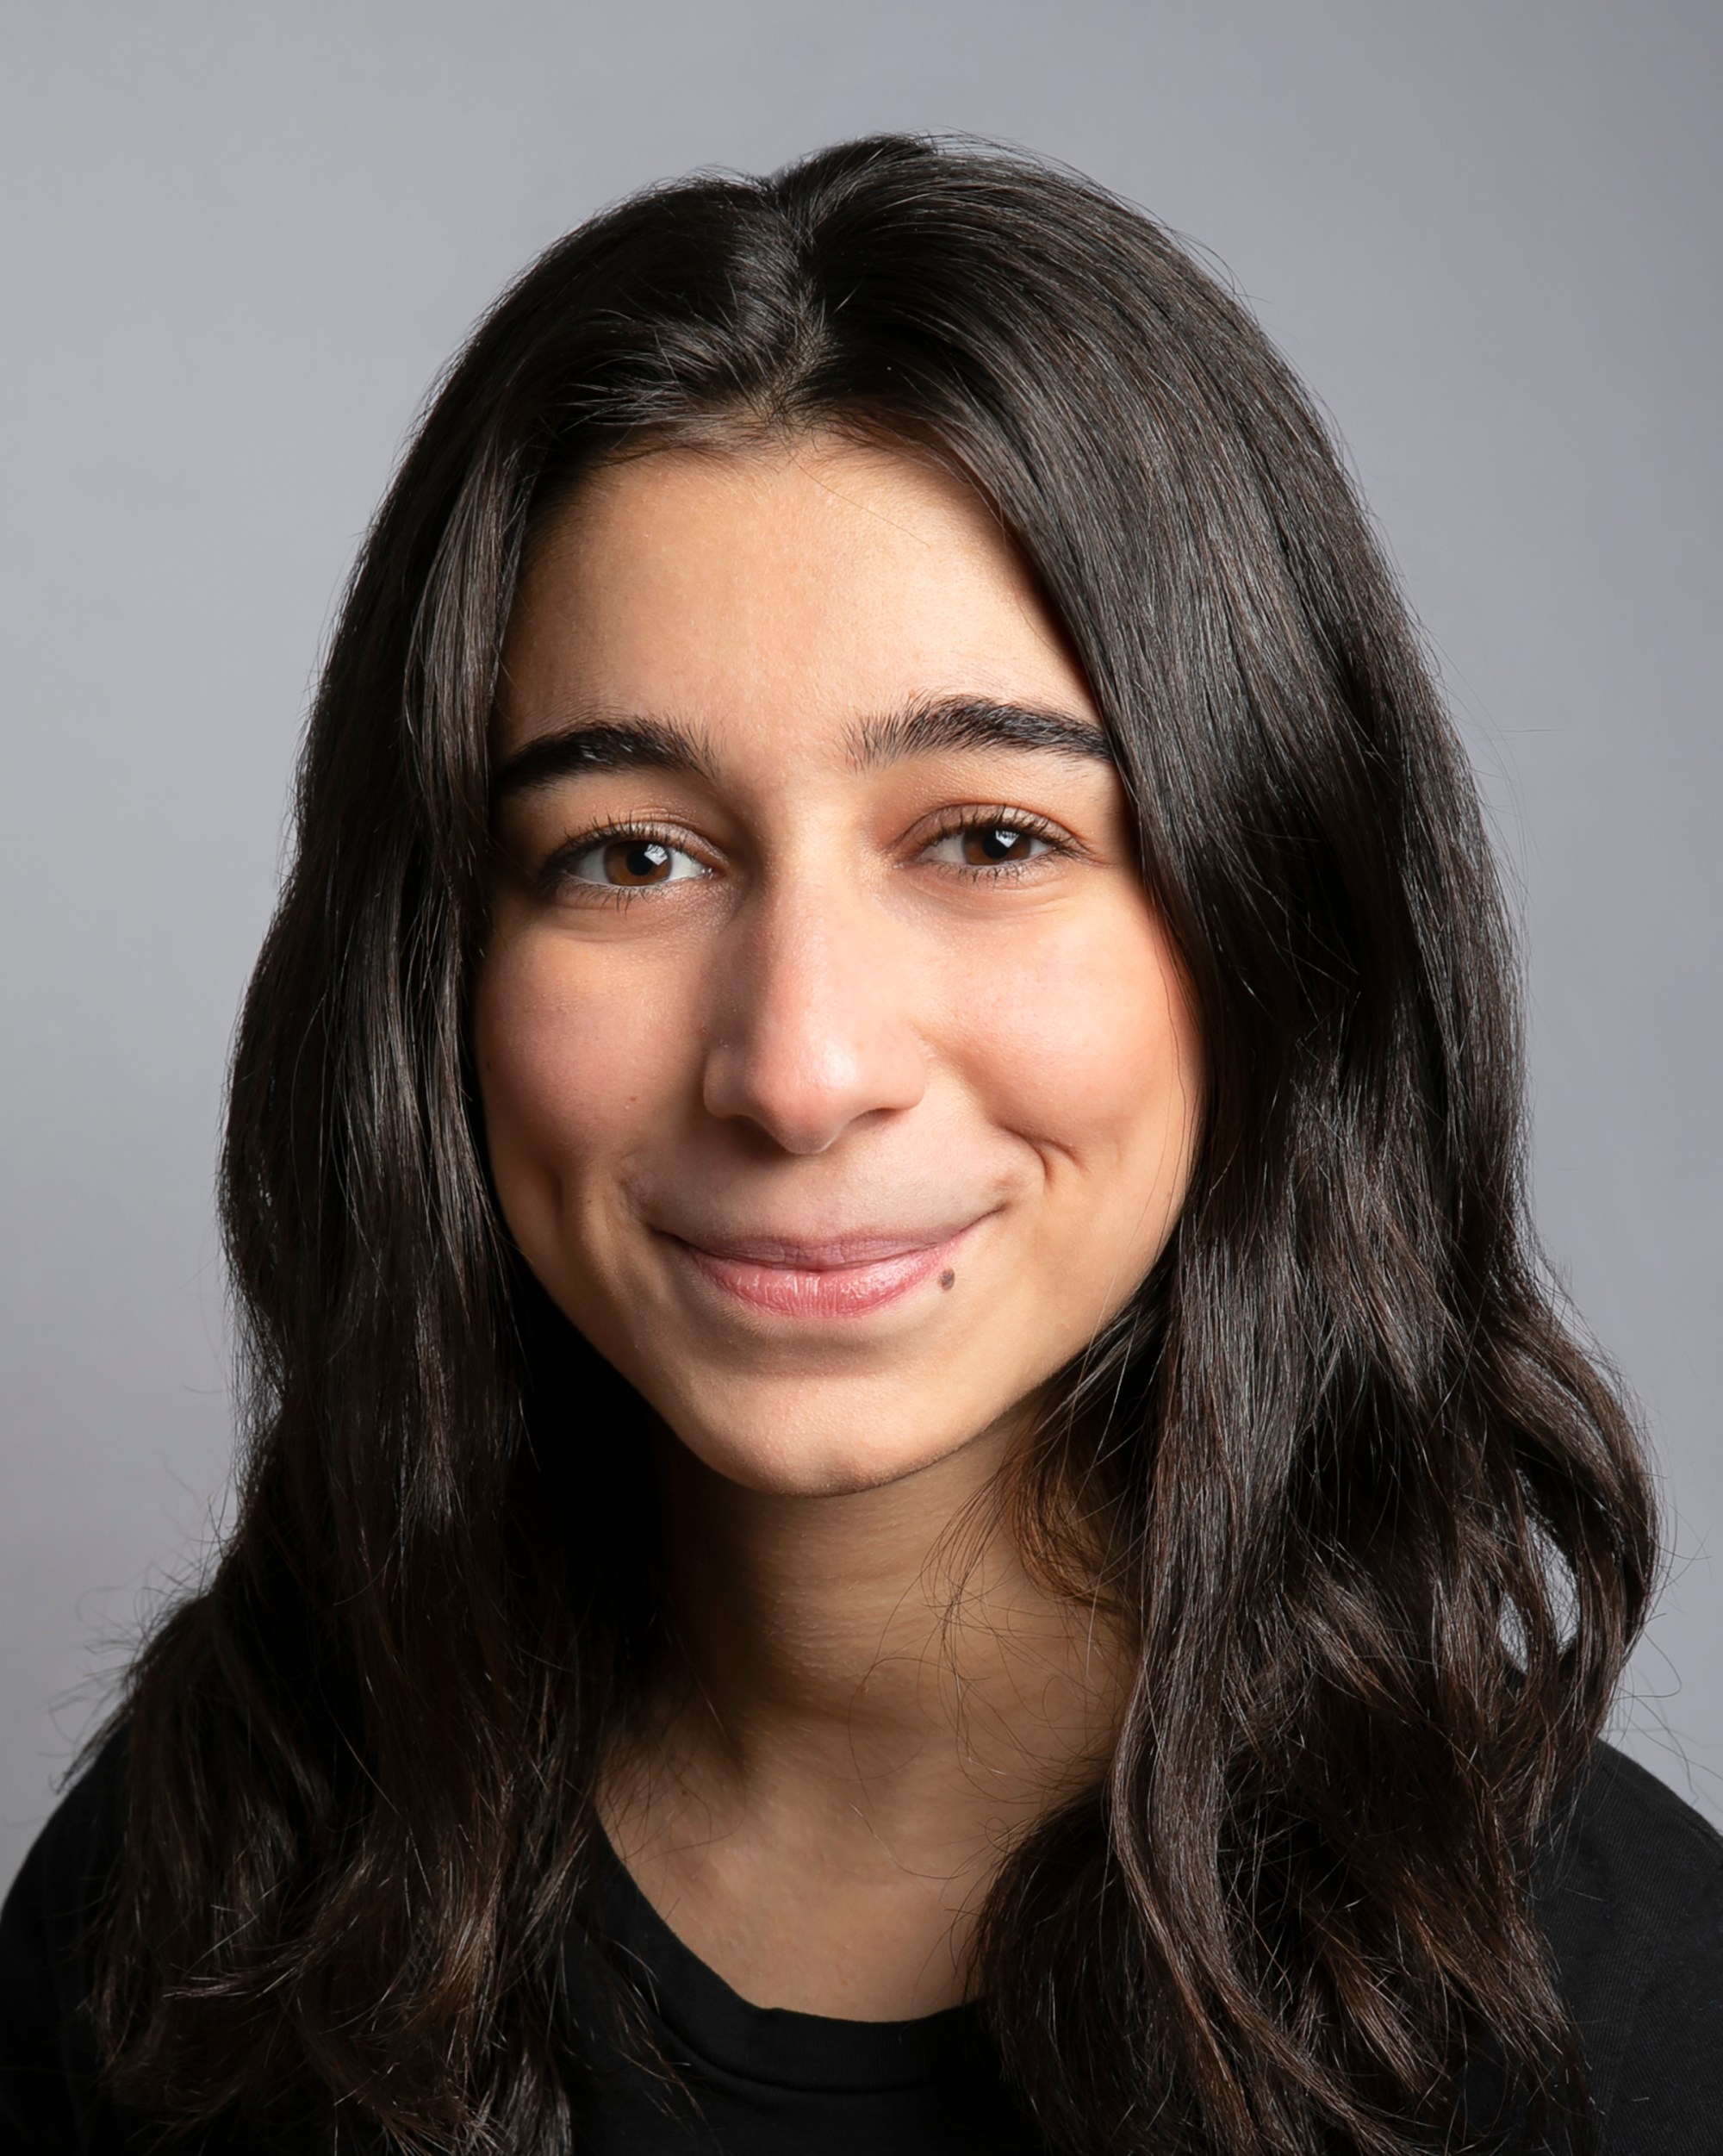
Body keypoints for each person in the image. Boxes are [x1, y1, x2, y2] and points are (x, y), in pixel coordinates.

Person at [2, 134, 1718, 2156]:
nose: (799, 1067)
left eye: (992, 838)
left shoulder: (1622, 2024)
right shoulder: (205, 1899)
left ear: (1279, 927)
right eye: (628, 855)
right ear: (435, 969)